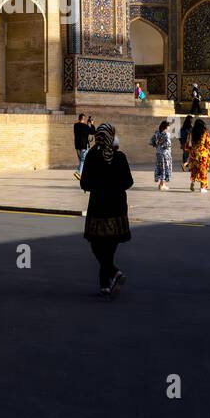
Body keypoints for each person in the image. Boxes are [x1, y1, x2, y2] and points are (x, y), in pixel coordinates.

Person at [80, 122, 134, 296]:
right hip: (117, 207)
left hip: (98, 207)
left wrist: (97, 185)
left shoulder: (91, 157)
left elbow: (84, 183)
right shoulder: (120, 157)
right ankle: (107, 282)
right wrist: (114, 185)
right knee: (110, 246)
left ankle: (111, 275)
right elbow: (128, 182)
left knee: (96, 244)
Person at [188, 118, 210, 193]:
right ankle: (202, 187)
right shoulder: (205, 133)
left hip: (194, 154)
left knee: (194, 170)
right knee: (203, 170)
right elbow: (208, 144)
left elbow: (188, 144)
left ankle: (192, 182)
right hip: (202, 154)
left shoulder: (191, 132)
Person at [150, 118, 172, 191]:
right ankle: (162, 184)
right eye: (168, 126)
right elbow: (168, 144)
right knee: (165, 168)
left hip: (158, 153)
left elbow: (151, 142)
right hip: (165, 154)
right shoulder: (166, 134)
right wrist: (163, 145)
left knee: (160, 168)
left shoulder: (156, 133)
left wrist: (157, 145)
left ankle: (161, 184)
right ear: (165, 127)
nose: (169, 127)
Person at [73, 113, 94, 179]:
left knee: (81, 160)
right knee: (83, 160)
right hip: (84, 146)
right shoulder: (86, 127)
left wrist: (87, 124)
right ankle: (78, 172)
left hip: (77, 146)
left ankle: (79, 173)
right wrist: (92, 124)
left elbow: (83, 131)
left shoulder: (75, 126)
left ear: (79, 118)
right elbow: (93, 132)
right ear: (84, 119)